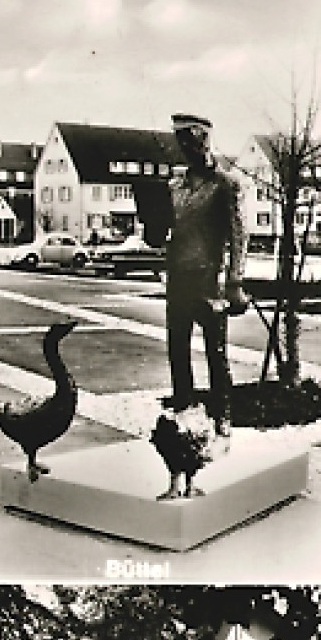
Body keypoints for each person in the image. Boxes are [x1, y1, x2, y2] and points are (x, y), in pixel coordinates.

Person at [135, 113, 248, 434]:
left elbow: (238, 235)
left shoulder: (225, 184)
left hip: (209, 278)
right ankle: (184, 410)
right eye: (180, 143)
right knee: (177, 348)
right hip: (178, 276)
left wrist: (235, 281)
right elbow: (162, 233)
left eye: (190, 142)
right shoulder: (175, 185)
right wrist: (152, 225)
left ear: (204, 141)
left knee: (216, 351)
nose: (185, 149)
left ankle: (222, 415)